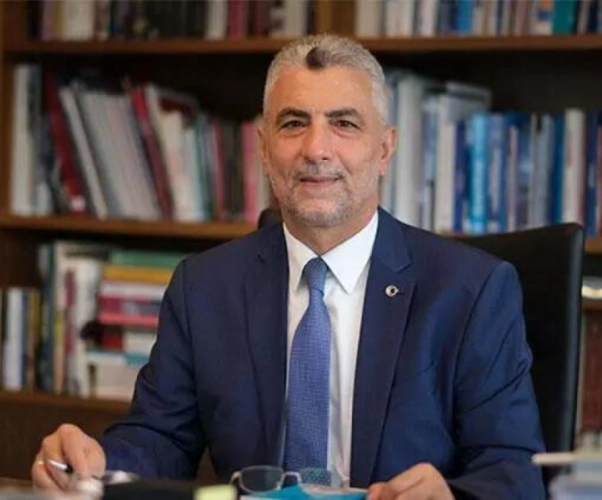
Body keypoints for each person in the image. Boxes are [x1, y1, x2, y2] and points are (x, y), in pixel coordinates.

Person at [31, 33, 546, 499]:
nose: (316, 149)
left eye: (344, 124)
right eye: (294, 123)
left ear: (385, 149)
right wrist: (96, 465)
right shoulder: (204, 287)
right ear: (263, 148)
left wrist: (451, 497)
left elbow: (513, 473)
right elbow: (160, 438)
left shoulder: (471, 291)